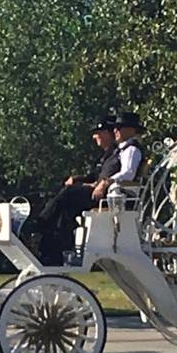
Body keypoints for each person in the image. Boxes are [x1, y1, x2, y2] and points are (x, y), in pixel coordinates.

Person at [35, 112, 146, 265]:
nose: (115, 131)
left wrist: (105, 182)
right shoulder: (121, 150)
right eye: (115, 128)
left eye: (120, 128)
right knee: (66, 210)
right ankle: (53, 250)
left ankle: (42, 223)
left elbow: (128, 173)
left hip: (111, 198)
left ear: (132, 130)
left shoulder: (132, 150)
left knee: (68, 194)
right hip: (103, 194)